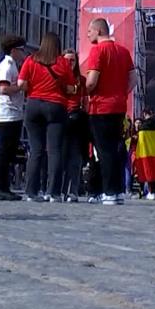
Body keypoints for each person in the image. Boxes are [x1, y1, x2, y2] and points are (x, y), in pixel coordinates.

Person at [84, 18, 136, 206]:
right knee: (115, 148)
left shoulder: (97, 50)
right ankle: (118, 190)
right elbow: (133, 78)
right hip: (119, 106)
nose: (88, 34)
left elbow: (91, 81)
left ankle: (109, 191)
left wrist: (83, 90)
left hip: (101, 106)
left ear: (98, 31)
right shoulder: (123, 51)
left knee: (103, 150)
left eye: (90, 31)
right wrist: (122, 93)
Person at [19, 31, 75, 203]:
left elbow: (21, 84)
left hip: (34, 104)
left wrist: (34, 87)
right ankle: (53, 192)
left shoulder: (31, 60)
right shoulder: (63, 63)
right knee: (54, 150)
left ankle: (31, 191)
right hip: (56, 106)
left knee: (35, 150)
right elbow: (71, 88)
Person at [0, 35, 26, 201]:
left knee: (9, 152)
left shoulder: (12, 66)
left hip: (13, 113)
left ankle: (4, 186)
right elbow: (4, 88)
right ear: (13, 50)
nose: (23, 53)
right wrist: (20, 87)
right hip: (7, 114)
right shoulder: (7, 66)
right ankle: (0, 188)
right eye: (21, 50)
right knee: (5, 152)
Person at [61, 49, 89, 202]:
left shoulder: (81, 80)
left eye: (72, 60)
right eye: (67, 60)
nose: (69, 63)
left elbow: (85, 100)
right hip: (62, 118)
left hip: (77, 118)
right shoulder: (58, 78)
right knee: (61, 157)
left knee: (75, 157)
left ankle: (73, 190)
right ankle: (60, 190)